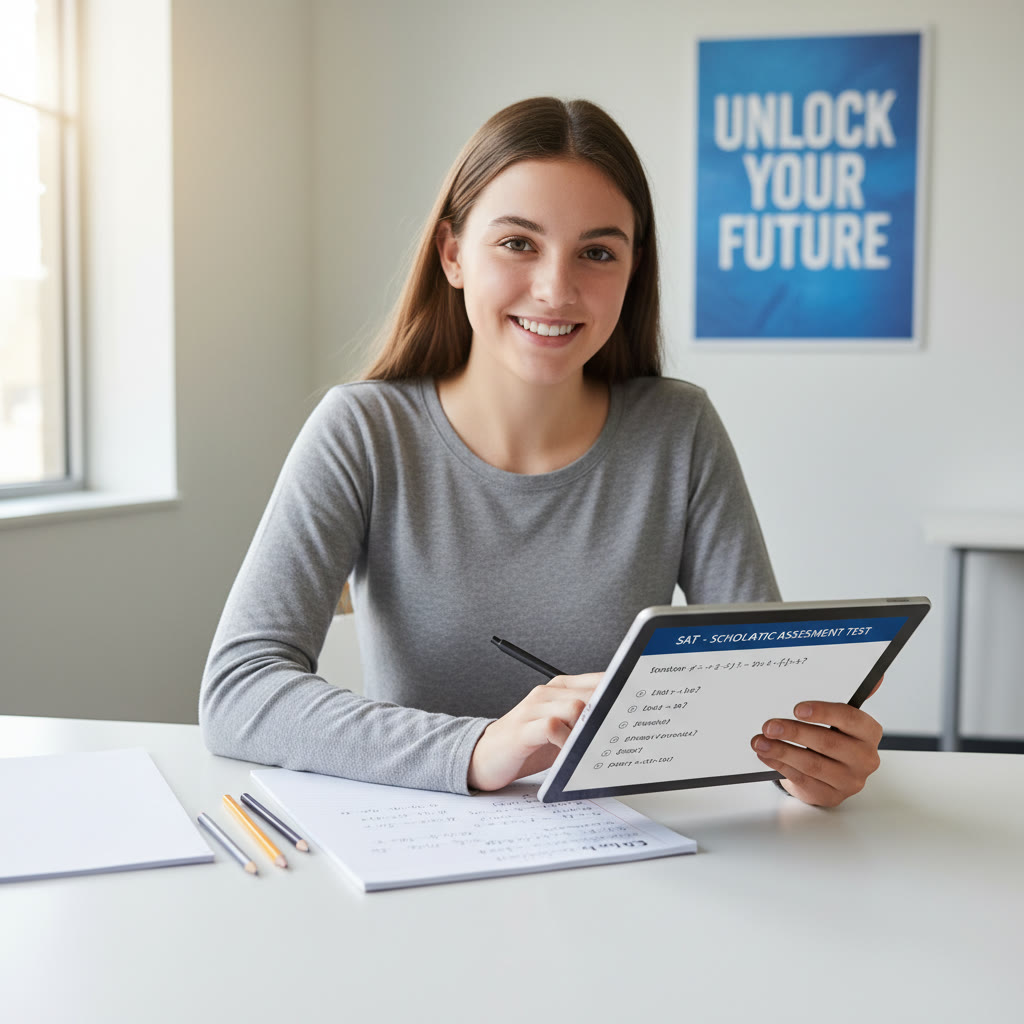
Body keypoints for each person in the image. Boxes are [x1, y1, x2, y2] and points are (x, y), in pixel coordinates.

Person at [200, 97, 883, 808]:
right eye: (519, 243)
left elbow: (754, 686)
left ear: (631, 270)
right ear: (453, 254)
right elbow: (239, 693)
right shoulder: (363, 429)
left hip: (632, 851)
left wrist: (809, 760)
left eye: (596, 252)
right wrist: (477, 748)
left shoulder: (680, 429)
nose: (556, 290)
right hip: (420, 855)